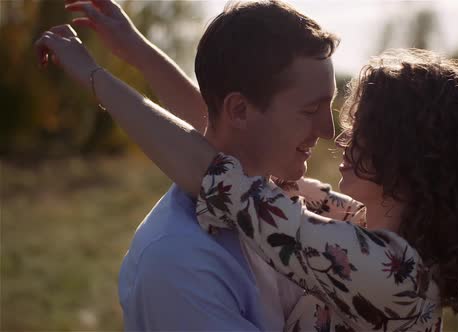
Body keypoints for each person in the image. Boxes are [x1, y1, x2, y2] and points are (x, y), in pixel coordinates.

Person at [37, 4, 458, 332]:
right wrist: (136, 50)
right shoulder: (358, 228)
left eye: (358, 128)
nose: (339, 137)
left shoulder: (388, 274)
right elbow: (224, 139)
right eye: (317, 109)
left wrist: (92, 75)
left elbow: (222, 179)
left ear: (403, 161)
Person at [53, 0, 343, 329]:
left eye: (329, 105)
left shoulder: (287, 199)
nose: (328, 131)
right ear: (239, 111)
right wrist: (104, 72)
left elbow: (213, 134)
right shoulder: (179, 261)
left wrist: (134, 54)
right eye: (310, 110)